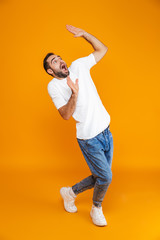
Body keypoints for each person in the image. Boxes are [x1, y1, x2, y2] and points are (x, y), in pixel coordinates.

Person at [43, 24, 114, 227]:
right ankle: (96, 208)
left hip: (106, 131)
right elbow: (65, 115)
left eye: (59, 58)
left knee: (101, 177)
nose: (60, 61)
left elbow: (102, 49)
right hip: (89, 138)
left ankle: (70, 192)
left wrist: (85, 35)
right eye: (54, 62)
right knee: (105, 177)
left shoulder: (78, 66)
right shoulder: (54, 86)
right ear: (51, 71)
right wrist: (74, 93)